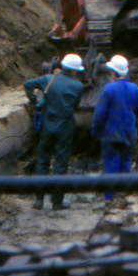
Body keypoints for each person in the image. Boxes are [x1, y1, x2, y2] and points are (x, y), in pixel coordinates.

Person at [23, 53, 85, 210]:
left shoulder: (48, 79)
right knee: (60, 163)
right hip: (65, 129)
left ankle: (38, 200)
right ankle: (57, 202)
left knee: (42, 160)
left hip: (47, 127)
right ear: (74, 70)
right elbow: (75, 107)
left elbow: (27, 84)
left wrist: (34, 101)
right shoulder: (78, 86)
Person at [91, 55, 138, 202]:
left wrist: (95, 131)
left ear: (113, 72)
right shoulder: (135, 89)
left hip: (110, 135)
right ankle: (123, 198)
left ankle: (109, 200)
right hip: (129, 134)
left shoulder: (108, 89)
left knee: (111, 167)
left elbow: (99, 114)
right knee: (125, 165)